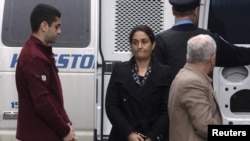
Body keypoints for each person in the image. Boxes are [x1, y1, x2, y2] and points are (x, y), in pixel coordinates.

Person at [15, 3, 77, 141]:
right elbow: (43, 103)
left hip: (47, 133)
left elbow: (53, 96)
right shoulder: (33, 57)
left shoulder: (41, 53)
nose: (59, 31)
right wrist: (65, 130)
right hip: (39, 135)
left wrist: (67, 123)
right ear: (44, 26)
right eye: (57, 26)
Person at [105, 25, 172, 141]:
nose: (139, 46)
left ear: (153, 44)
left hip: (153, 136)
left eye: (144, 42)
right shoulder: (119, 70)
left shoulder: (165, 72)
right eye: (135, 42)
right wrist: (129, 133)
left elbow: (167, 110)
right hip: (123, 135)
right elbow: (111, 106)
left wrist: (152, 136)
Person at [154, 0, 250, 78]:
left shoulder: (161, 40)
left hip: (173, 99)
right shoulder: (209, 37)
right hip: (202, 94)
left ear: (173, 11)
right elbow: (236, 55)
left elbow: (156, 75)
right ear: (196, 11)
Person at [168, 34, 222, 141]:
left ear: (187, 55)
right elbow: (205, 126)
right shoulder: (193, 83)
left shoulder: (184, 75)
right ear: (213, 58)